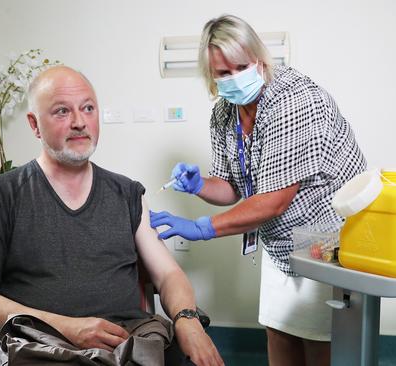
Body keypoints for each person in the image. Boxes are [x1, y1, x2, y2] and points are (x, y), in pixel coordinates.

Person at [0, 65, 223, 366]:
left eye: (88, 108)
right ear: (34, 124)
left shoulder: (127, 193)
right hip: (39, 346)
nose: (80, 122)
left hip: (123, 344)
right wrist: (66, 327)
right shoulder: (1, 194)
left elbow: (168, 273)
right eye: (61, 112)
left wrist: (187, 319)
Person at [150, 15, 366, 366]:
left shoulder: (295, 100)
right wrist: (200, 185)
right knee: (278, 332)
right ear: (210, 77)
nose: (233, 77)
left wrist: (203, 228)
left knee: (319, 343)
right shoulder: (224, 113)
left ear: (259, 60)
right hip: (282, 244)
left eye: (241, 66)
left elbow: (274, 199)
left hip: (328, 239)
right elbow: (232, 186)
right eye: (222, 73)